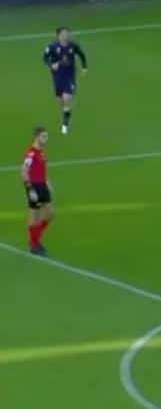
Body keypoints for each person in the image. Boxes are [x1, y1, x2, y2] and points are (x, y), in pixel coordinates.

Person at [41, 27, 87, 135]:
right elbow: (45, 58)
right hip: (57, 76)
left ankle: (65, 124)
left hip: (69, 76)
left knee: (67, 98)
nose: (66, 36)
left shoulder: (73, 46)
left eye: (67, 34)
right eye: (63, 34)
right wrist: (51, 65)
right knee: (60, 100)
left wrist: (84, 67)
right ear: (58, 36)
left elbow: (82, 55)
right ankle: (66, 112)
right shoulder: (52, 47)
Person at [21, 127, 53, 255]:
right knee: (35, 216)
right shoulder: (31, 153)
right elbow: (23, 171)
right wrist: (30, 189)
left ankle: (34, 241)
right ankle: (34, 244)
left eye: (46, 136)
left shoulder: (41, 152)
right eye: (43, 136)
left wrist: (47, 182)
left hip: (43, 185)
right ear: (36, 137)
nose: (46, 139)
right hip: (34, 186)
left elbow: (42, 169)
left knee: (50, 214)